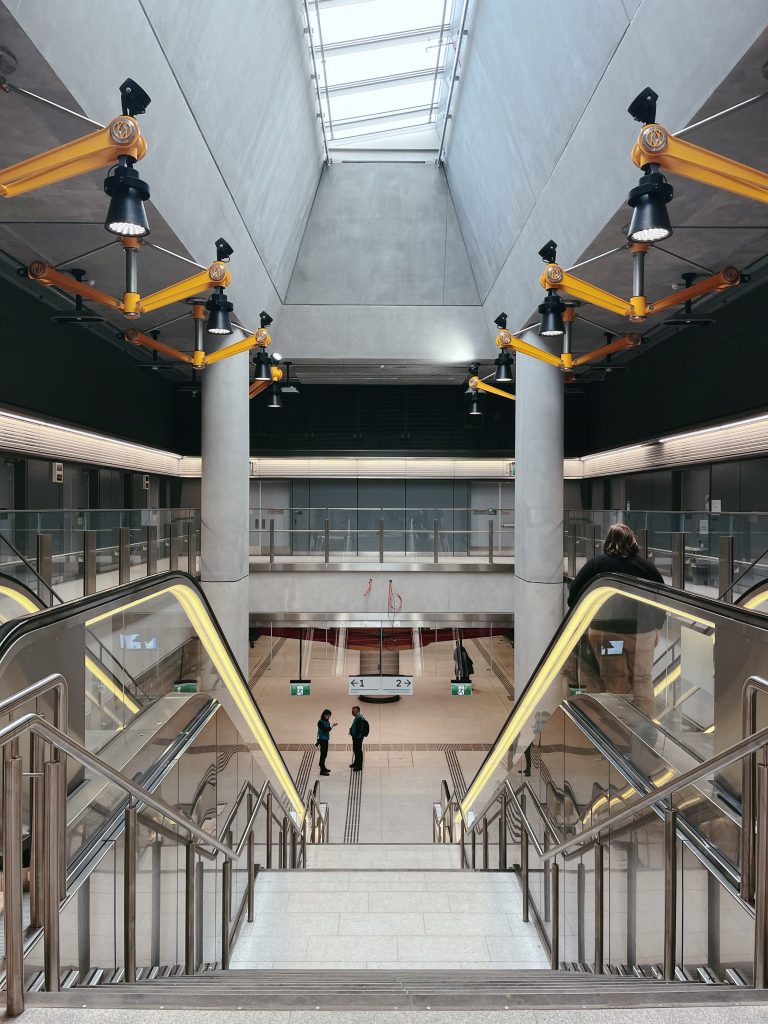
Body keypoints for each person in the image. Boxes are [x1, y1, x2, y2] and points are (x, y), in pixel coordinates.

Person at [568, 523, 665, 716]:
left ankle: (619, 722)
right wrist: (658, 627)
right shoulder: (646, 567)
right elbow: (661, 599)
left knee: (614, 679)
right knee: (642, 678)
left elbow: (573, 597)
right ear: (633, 541)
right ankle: (646, 723)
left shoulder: (596, 565)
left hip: (607, 633)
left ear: (607, 542)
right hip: (641, 633)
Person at [316, 708, 337, 776]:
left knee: (325, 754)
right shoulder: (320, 722)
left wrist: (331, 727)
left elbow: (328, 730)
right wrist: (332, 726)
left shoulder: (327, 721)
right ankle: (322, 770)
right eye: (327, 715)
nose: (328, 717)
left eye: (329, 715)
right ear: (324, 715)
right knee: (323, 754)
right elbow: (325, 730)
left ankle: (323, 766)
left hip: (326, 739)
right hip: (322, 740)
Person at [349, 705, 367, 772]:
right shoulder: (357, 717)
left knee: (358, 751)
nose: (352, 712)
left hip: (358, 738)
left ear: (357, 711)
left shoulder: (359, 718)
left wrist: (355, 737)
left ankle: (359, 766)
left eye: (353, 711)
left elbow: (358, 730)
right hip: (357, 737)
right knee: (356, 751)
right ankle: (356, 763)